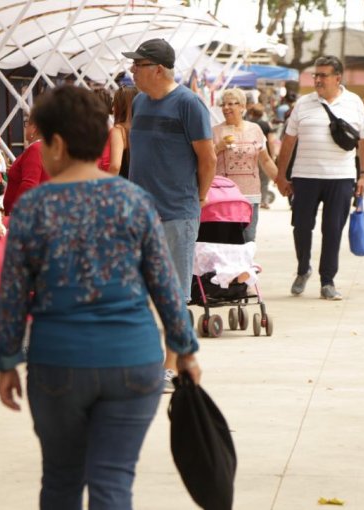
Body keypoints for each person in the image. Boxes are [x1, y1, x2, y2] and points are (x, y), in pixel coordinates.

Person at [0, 85, 201, 510]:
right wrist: (185, 350)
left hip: (59, 363)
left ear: (56, 144)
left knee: (61, 481)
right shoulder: (135, 201)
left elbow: (13, 294)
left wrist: (8, 360)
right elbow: (165, 286)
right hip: (133, 361)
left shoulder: (34, 208)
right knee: (113, 482)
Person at [123, 38, 215, 389]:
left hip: (177, 213)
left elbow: (207, 158)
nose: (132, 70)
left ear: (157, 69)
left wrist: (200, 196)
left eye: (138, 64)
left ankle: (171, 367)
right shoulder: (140, 103)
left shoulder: (189, 105)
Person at [274, 55, 364, 301]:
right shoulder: (304, 103)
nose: (317, 79)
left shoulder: (354, 102)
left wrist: (363, 175)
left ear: (338, 78)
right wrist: (280, 176)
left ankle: (327, 281)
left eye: (323, 75)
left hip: (341, 178)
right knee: (301, 226)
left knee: (333, 229)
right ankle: (303, 268)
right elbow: (288, 141)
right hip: (305, 177)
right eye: (315, 75)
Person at [212, 88, 278, 242]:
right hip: (224, 196)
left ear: (242, 107)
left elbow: (266, 160)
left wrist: (280, 180)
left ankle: (246, 267)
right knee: (225, 241)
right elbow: (206, 161)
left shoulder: (255, 129)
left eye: (231, 104)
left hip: (250, 196)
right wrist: (218, 147)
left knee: (248, 240)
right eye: (224, 104)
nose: (226, 108)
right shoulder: (215, 131)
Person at [3, 115, 49, 215]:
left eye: (26, 124)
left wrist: (17, 212)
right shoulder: (43, 148)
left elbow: (29, 184)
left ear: (34, 128)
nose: (25, 128)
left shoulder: (35, 149)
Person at [100, 85, 138, 177]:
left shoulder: (118, 130)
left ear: (122, 106)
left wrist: (106, 184)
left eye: (115, 103)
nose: (113, 108)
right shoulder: (143, 128)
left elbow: (115, 166)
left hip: (123, 182)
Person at [246, 102, 278, 208]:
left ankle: (248, 200)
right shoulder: (266, 124)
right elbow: (271, 140)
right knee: (264, 179)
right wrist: (272, 155)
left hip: (249, 155)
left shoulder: (246, 123)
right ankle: (264, 201)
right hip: (264, 154)